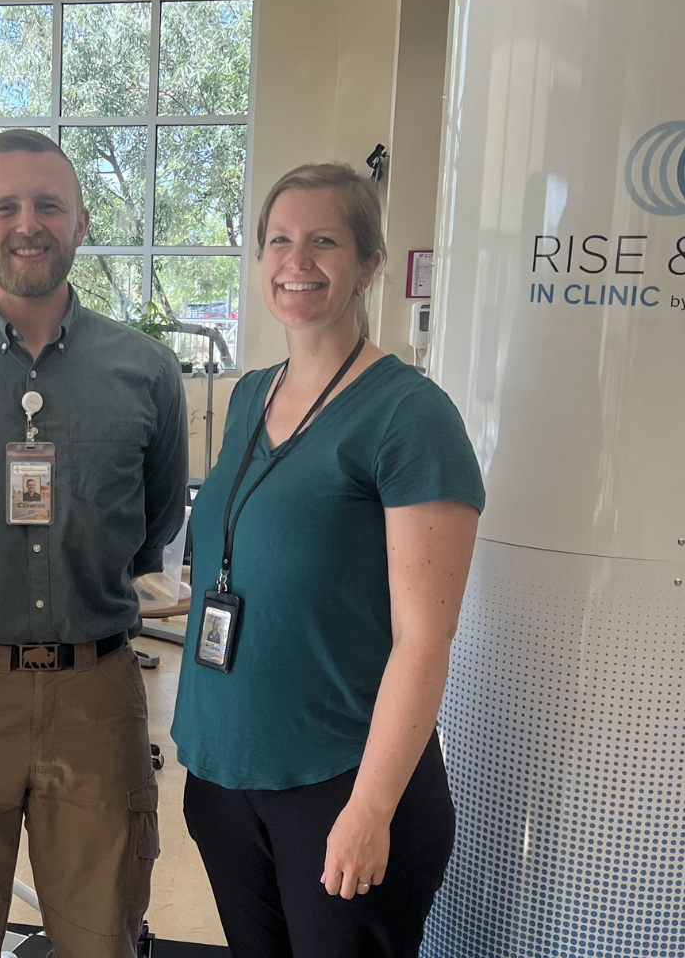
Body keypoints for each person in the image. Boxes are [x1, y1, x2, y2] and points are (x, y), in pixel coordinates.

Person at [0, 129, 189, 958]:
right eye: (5, 206)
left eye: (49, 204)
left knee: (102, 939)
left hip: (97, 699)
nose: (28, 223)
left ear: (81, 221)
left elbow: (156, 521)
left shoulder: (147, 372)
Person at [170, 163, 484, 958]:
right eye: (279, 241)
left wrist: (371, 809)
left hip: (340, 784)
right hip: (227, 774)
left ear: (369, 263)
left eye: (324, 242)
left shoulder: (409, 415)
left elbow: (425, 638)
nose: (296, 261)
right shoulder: (250, 396)